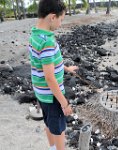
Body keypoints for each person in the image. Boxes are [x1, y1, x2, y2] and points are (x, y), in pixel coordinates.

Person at [28, 0, 78, 150]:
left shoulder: (35, 35)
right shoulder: (47, 42)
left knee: (49, 123)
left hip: (41, 93)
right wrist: (65, 103)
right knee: (59, 130)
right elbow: (50, 78)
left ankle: (52, 148)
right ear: (52, 17)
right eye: (61, 19)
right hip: (52, 96)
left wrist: (66, 68)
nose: (60, 24)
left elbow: (44, 63)